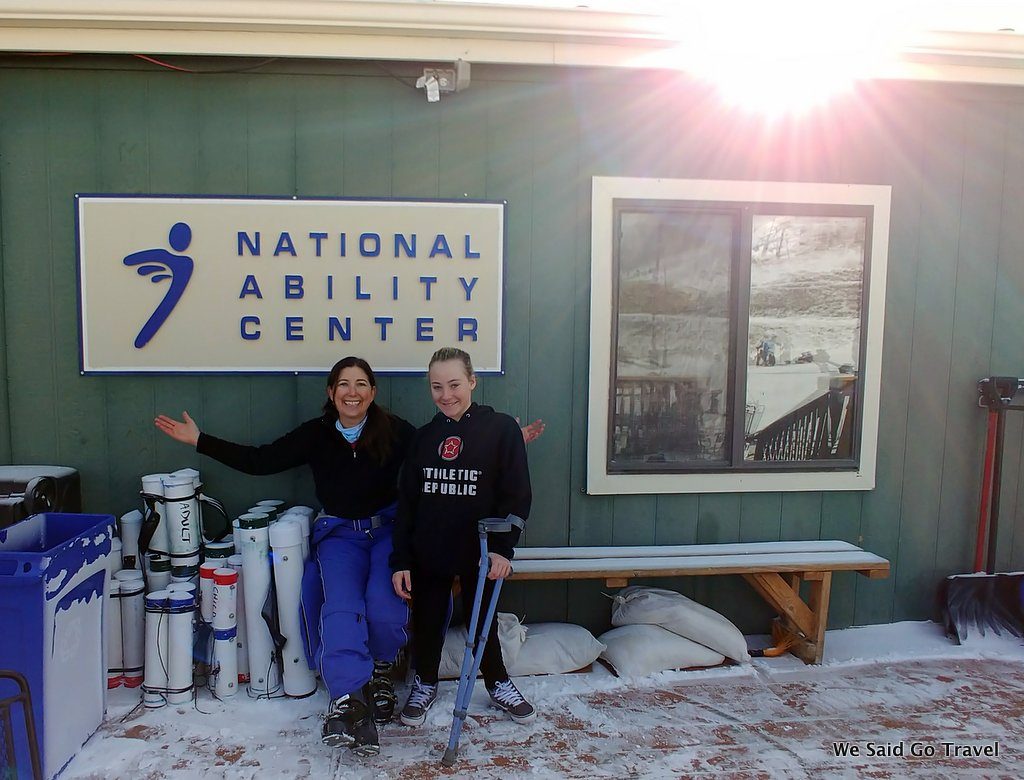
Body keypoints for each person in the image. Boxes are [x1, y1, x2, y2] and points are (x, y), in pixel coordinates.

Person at [154, 356, 543, 757]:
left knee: (385, 606)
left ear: (373, 392)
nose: (352, 392)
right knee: (341, 605)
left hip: (388, 533)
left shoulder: (398, 433)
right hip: (343, 535)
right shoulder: (317, 434)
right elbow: (261, 459)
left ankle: (380, 673)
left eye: (361, 384)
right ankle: (348, 695)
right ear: (331, 391)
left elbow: (458, 451)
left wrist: (506, 439)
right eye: (343, 384)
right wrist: (200, 441)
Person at [390, 347, 536, 731]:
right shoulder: (424, 439)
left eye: (454, 384)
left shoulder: (501, 428)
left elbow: (517, 494)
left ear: (472, 381)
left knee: (480, 621)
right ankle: (425, 683)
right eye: (437, 386)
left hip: (482, 551)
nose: (446, 394)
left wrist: (505, 549)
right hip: (430, 550)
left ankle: (498, 681)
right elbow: (408, 505)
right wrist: (401, 559)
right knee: (428, 620)